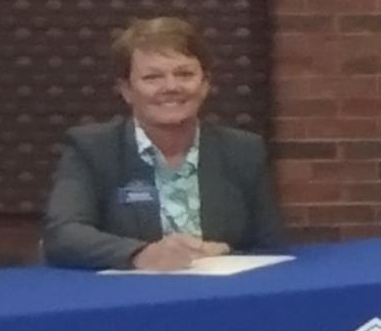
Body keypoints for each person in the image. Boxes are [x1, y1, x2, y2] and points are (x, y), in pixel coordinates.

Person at [43, 17, 284, 270]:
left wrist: (225, 250)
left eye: (184, 74)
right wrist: (141, 254)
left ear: (205, 84)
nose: (171, 87)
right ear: (126, 90)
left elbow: (270, 247)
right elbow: (63, 235)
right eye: (152, 77)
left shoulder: (243, 151)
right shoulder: (92, 149)